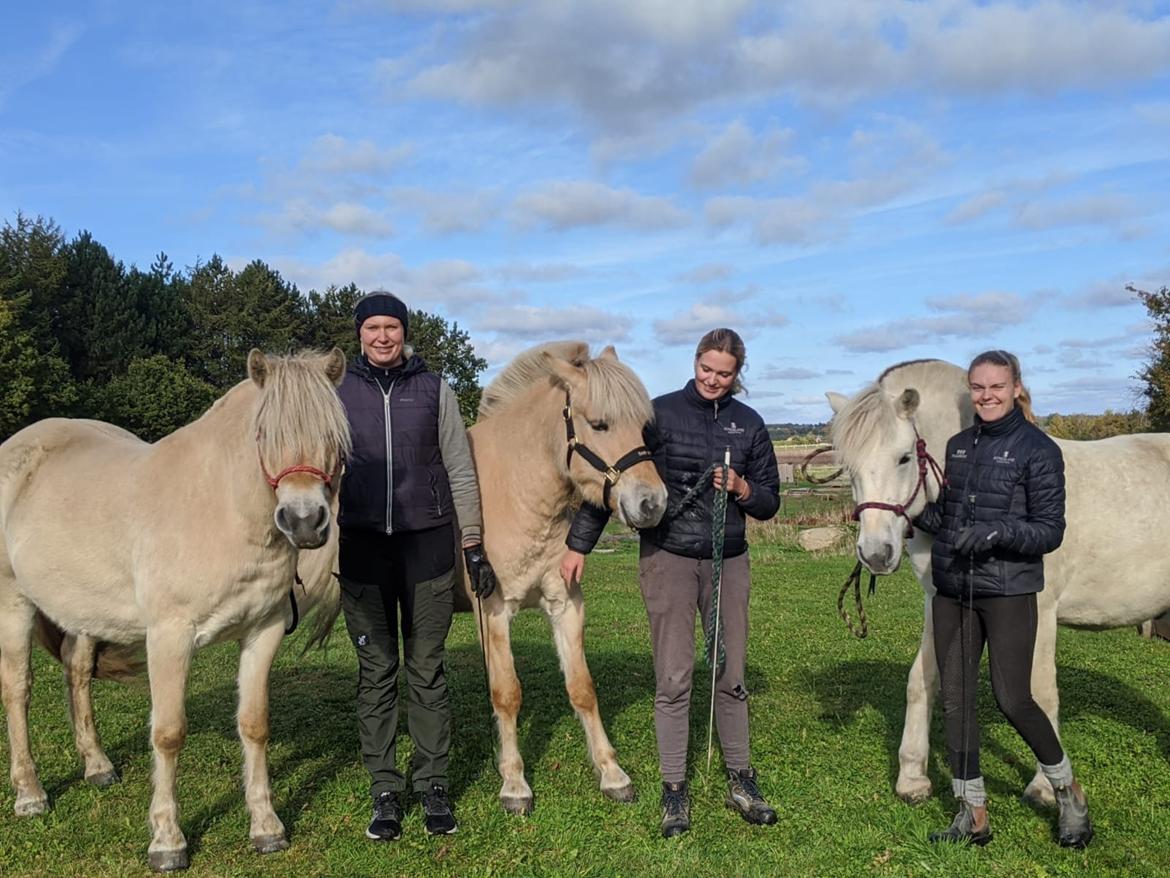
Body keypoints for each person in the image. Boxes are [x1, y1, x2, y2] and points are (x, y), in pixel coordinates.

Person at [560, 328, 781, 838]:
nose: (713, 380)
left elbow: (770, 501)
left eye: (724, 374)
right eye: (707, 368)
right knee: (675, 677)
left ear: (737, 374)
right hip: (668, 558)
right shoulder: (656, 414)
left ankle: (742, 780)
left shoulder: (749, 425)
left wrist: (745, 488)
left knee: (730, 673)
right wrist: (579, 545)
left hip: (730, 560)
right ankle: (674, 789)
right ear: (696, 361)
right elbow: (611, 478)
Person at [914, 349, 1092, 849]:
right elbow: (948, 517)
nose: (986, 396)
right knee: (956, 700)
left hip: (1009, 590)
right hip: (955, 589)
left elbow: (1049, 530)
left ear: (1015, 387)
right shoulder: (958, 446)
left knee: (1013, 699)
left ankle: (1068, 792)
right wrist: (903, 515)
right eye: (978, 387)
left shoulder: (1039, 449)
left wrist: (995, 533)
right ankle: (972, 813)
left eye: (996, 386)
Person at [336, 290, 496, 841]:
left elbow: (459, 468)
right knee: (376, 671)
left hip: (427, 547)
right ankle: (385, 787)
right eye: (373, 327)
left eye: (393, 327)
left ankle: (433, 784)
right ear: (359, 333)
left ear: (406, 333)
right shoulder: (337, 392)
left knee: (427, 670)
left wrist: (472, 543)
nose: (383, 336)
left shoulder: (436, 390)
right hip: (361, 549)